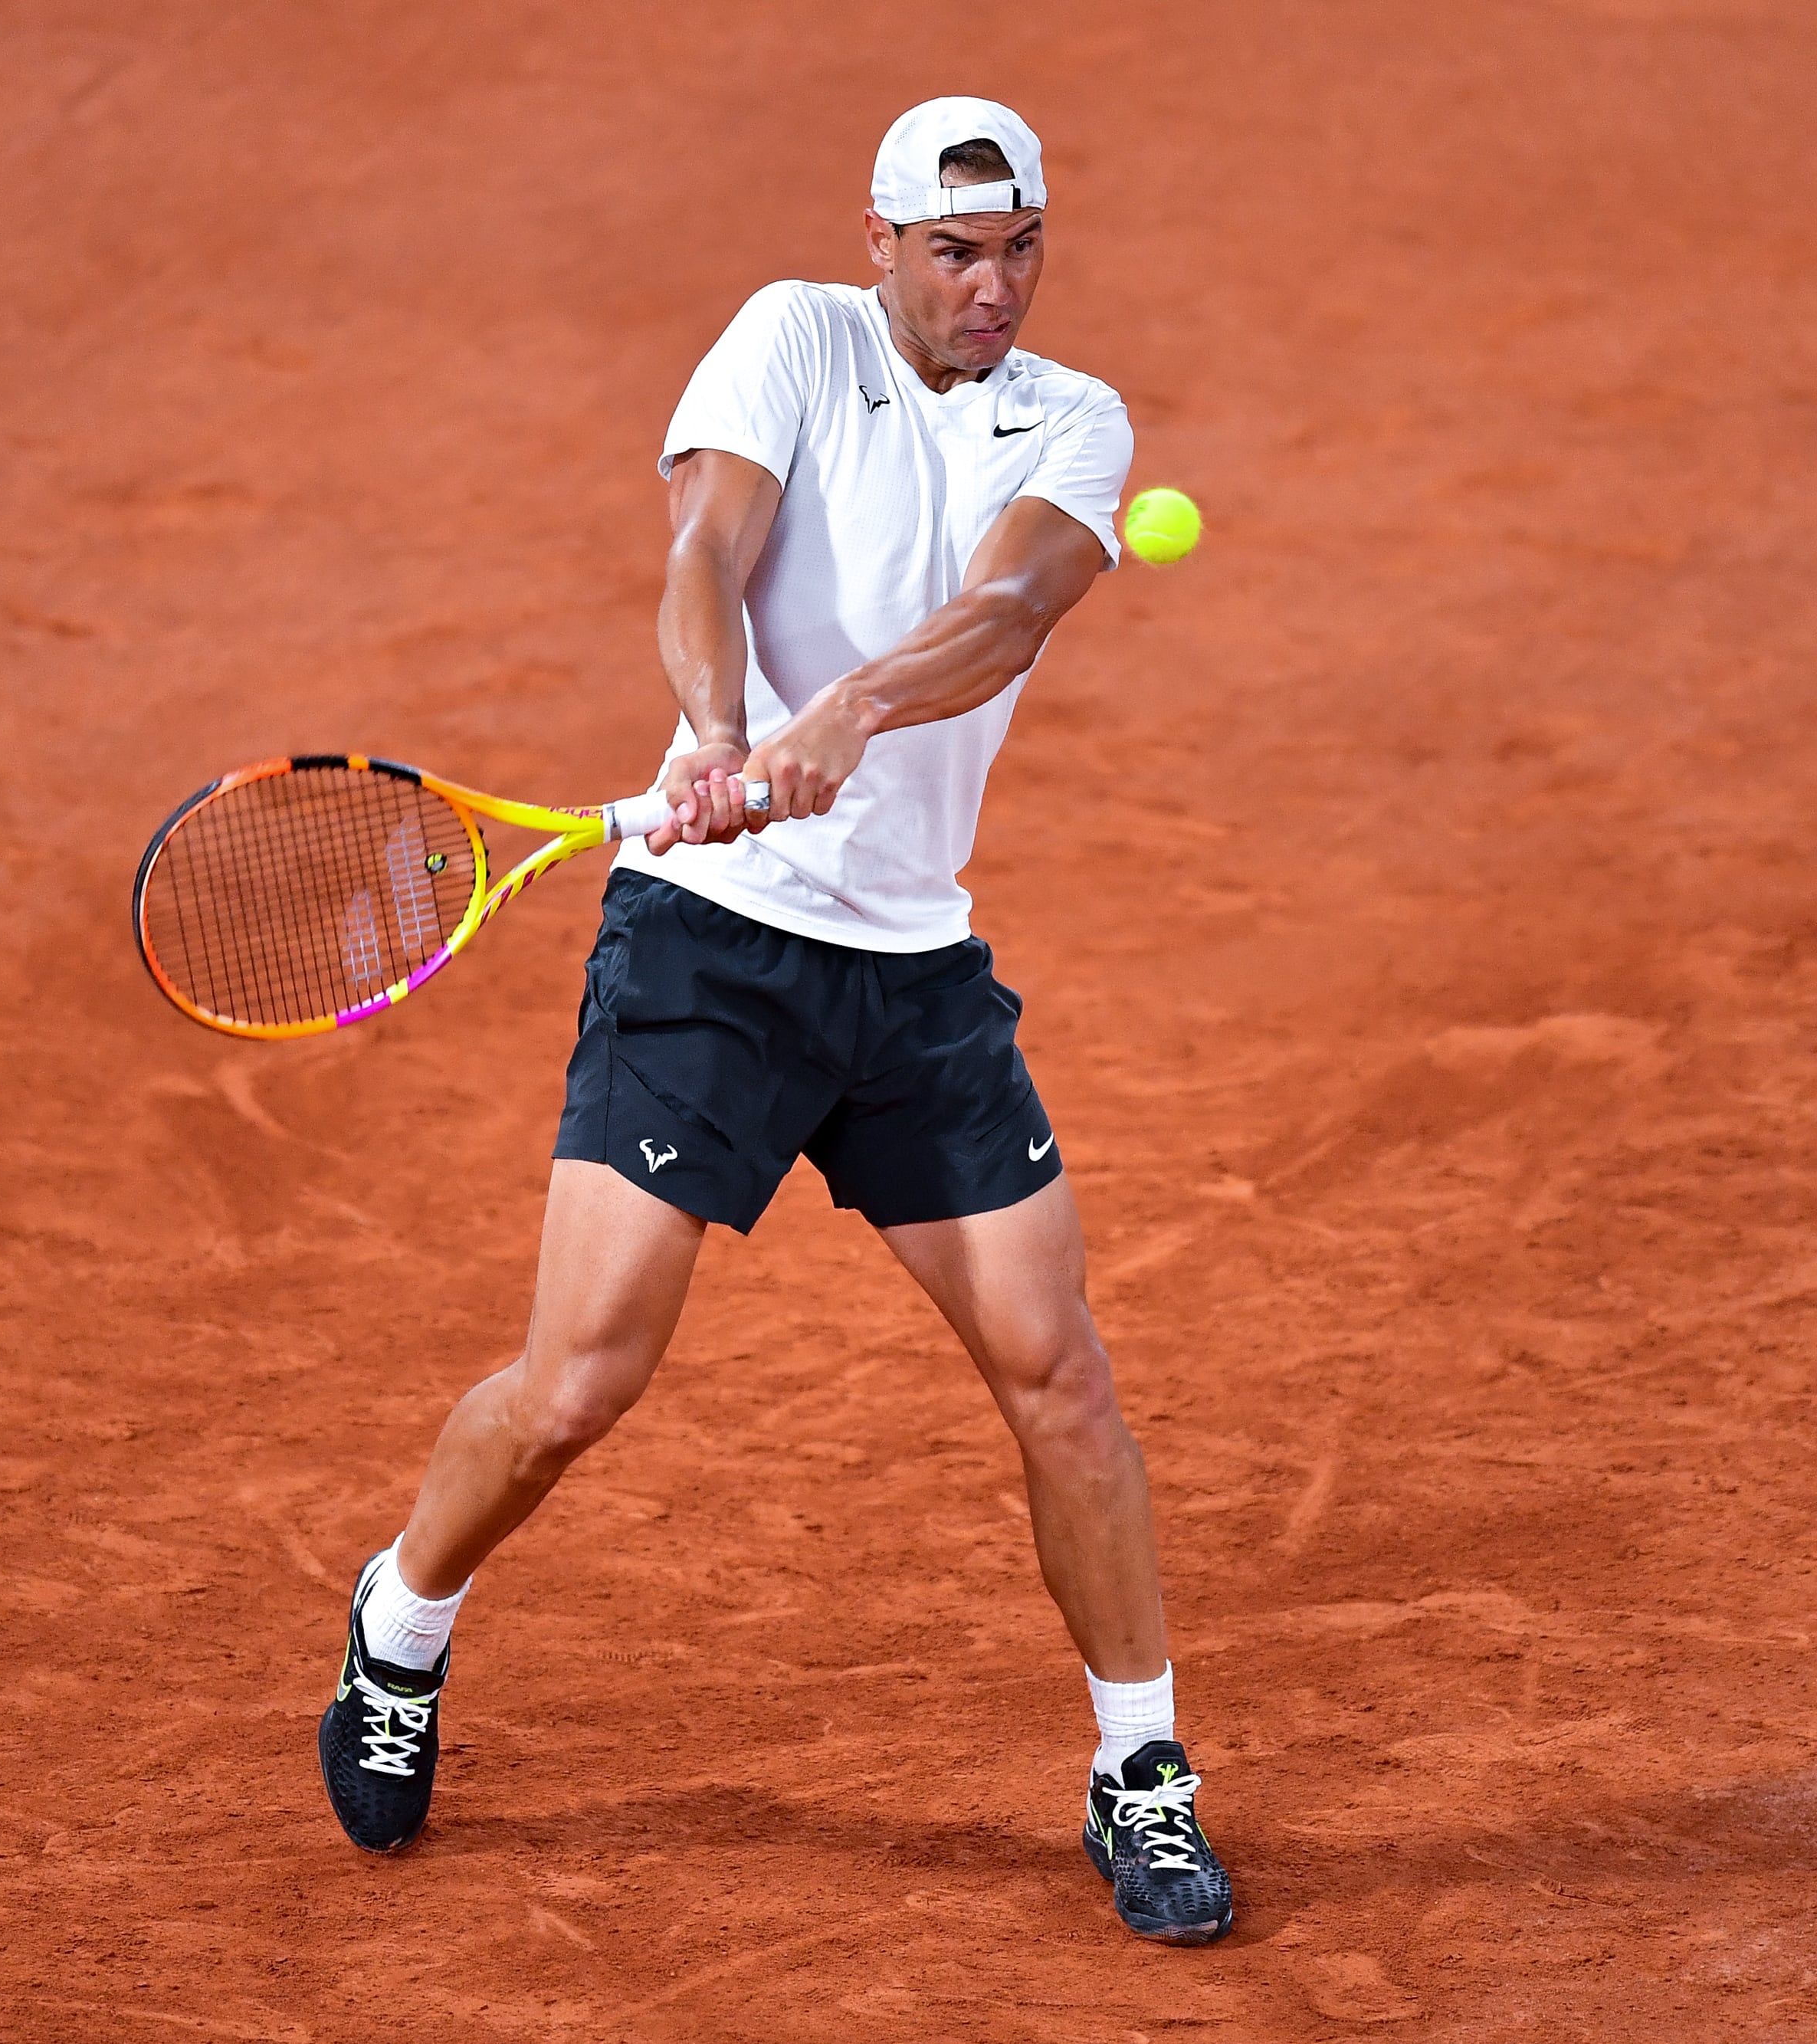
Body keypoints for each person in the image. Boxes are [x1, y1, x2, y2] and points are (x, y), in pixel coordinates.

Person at [317, 95, 1234, 1945]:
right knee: (579, 1379)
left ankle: (1140, 1770)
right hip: (709, 949)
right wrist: (726, 735)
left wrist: (850, 719)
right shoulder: (790, 337)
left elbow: (1008, 611)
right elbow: (702, 558)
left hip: (912, 979)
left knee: (1058, 1377)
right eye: (955, 251)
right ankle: (400, 1621)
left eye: (1021, 247)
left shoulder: (1072, 419)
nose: (993, 284)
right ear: (880, 242)